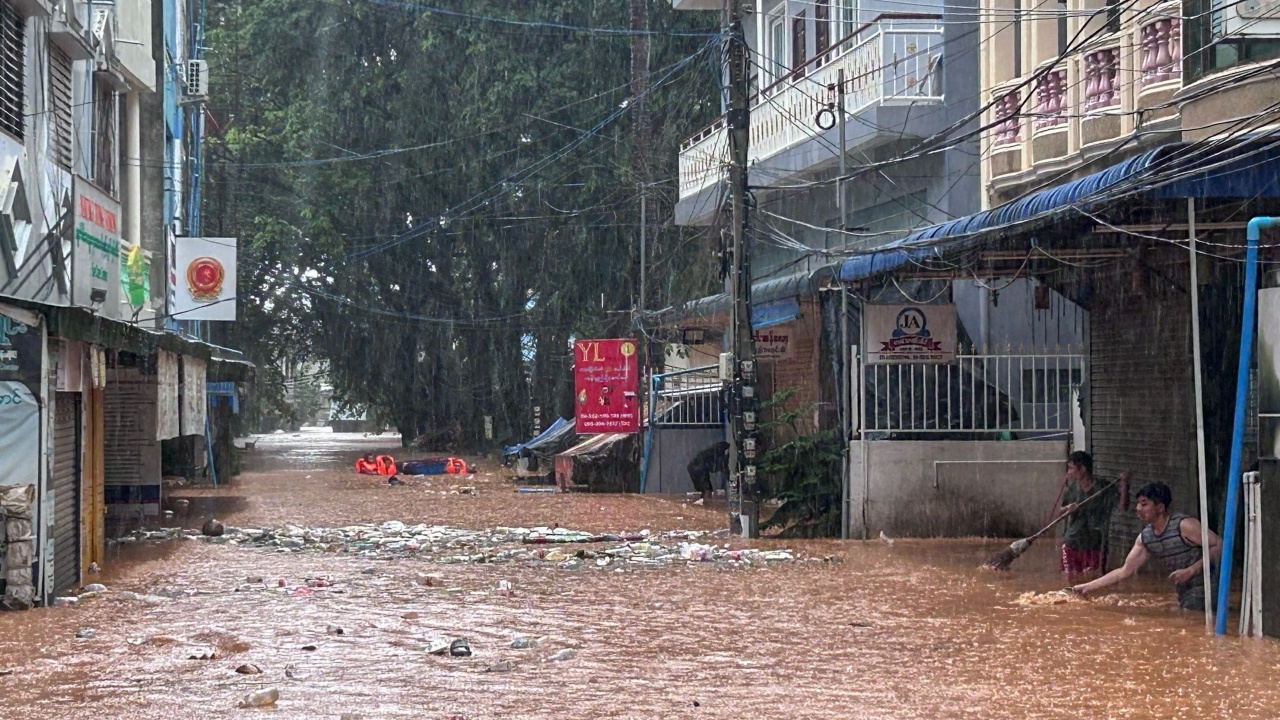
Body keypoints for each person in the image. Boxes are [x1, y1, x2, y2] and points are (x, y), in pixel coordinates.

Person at [1072, 481, 1222, 610]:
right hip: (1185, 593)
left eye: (1144, 504)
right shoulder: (1146, 537)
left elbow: (1219, 545)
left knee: (1187, 619)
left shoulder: (1185, 526)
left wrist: (1191, 570)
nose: (1138, 508)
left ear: (1160, 508)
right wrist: (1086, 587)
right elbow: (1125, 571)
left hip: (1208, 588)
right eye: (1138, 503)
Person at [1058, 451, 1129, 576]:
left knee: (1093, 581)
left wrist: (1124, 485)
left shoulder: (1104, 488)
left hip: (1094, 545)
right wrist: (1068, 509)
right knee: (1069, 581)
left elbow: (1122, 507)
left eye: (1071, 468)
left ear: (1083, 469)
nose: (1069, 472)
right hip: (1072, 543)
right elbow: (1060, 512)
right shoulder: (1072, 489)